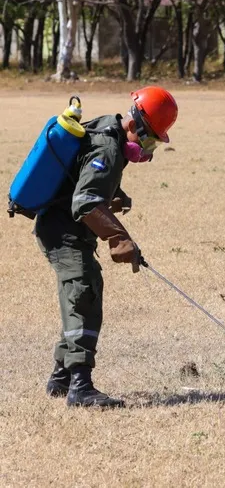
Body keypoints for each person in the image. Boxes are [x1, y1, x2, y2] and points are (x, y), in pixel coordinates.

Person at [39, 86, 178, 408]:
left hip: (67, 227)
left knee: (86, 289)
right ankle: (80, 386)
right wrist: (119, 238)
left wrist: (114, 191)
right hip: (62, 230)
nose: (147, 149)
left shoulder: (107, 128)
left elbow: (85, 177)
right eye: (149, 139)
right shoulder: (109, 147)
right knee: (83, 291)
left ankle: (60, 379)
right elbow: (85, 203)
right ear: (137, 125)